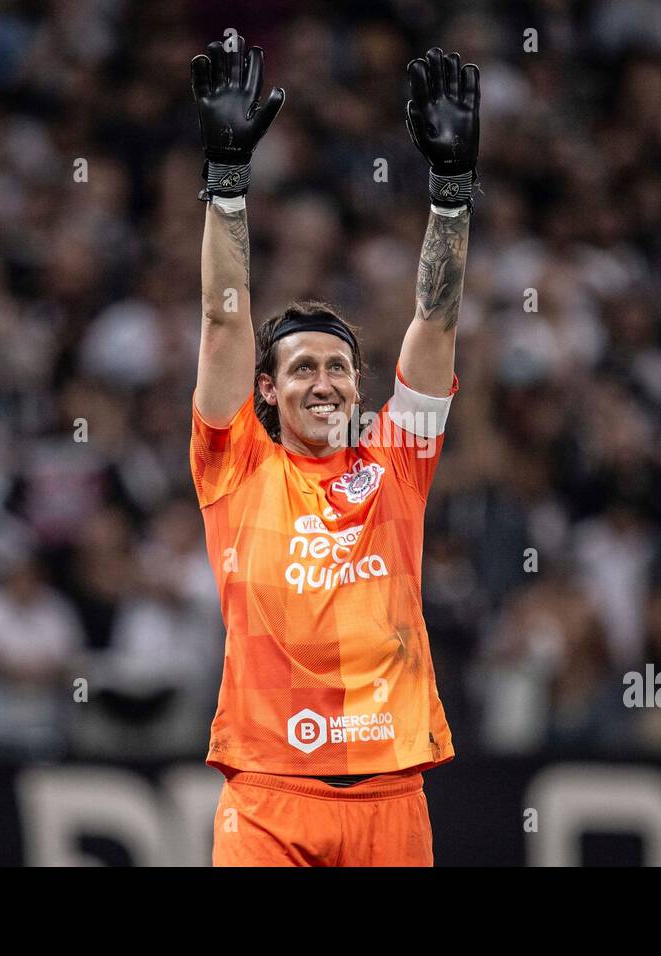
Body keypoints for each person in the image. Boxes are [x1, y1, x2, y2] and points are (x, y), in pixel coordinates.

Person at [187, 35, 479, 865]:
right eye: (303, 367)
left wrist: (452, 196)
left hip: (392, 797)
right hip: (267, 797)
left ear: (359, 387)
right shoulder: (235, 463)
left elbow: (437, 322)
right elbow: (222, 320)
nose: (326, 382)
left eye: (341, 368)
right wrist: (228, 184)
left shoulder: (397, 463)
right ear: (267, 392)